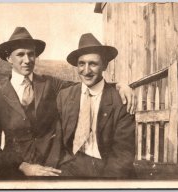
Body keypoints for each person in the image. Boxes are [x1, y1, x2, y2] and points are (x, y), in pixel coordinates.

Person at [0, 27, 135, 178]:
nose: (27, 60)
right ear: (8, 58)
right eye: (20, 54)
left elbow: (88, 83)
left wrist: (119, 85)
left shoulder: (50, 84)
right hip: (15, 171)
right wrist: (22, 166)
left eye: (31, 54)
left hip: (53, 168)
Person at [56, 33, 136, 178]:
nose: (86, 71)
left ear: (104, 65)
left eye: (93, 64)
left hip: (104, 168)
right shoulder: (65, 96)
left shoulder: (121, 100)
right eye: (81, 64)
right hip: (70, 164)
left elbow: (123, 154)